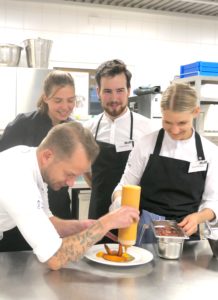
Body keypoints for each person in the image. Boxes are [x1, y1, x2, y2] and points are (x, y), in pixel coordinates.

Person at [0, 122, 139, 270]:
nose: (71, 183)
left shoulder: (31, 161)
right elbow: (55, 258)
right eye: (69, 174)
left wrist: (82, 227)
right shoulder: (18, 179)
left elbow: (49, 222)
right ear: (47, 156)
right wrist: (105, 223)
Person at [111, 82, 218, 243]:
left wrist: (198, 217)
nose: (174, 130)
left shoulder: (210, 152)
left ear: (196, 112)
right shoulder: (146, 144)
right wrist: (121, 204)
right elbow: (123, 187)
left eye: (182, 123)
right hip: (144, 232)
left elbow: (213, 201)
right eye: (167, 122)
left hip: (186, 237)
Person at [0, 70, 79, 251]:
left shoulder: (74, 130)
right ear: (46, 98)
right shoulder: (22, 124)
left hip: (58, 208)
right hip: (20, 212)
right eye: (58, 100)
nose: (65, 106)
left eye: (71, 100)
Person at [84, 59, 155, 227]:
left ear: (129, 91)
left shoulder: (148, 129)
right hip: (98, 212)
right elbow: (85, 171)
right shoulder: (88, 129)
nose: (114, 98)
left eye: (120, 91)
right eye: (107, 91)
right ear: (98, 91)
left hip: (134, 214)